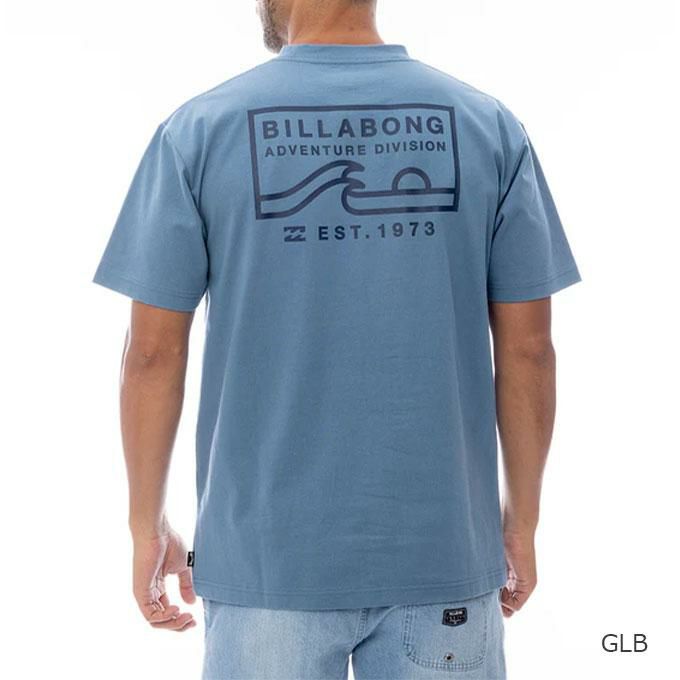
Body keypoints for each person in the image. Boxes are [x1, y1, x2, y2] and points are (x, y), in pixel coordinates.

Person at [92, 1, 581, 678]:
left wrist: (145, 527)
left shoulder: (201, 129)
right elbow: (528, 349)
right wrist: (520, 524)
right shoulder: (485, 125)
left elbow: (151, 354)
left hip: (267, 562)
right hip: (442, 552)